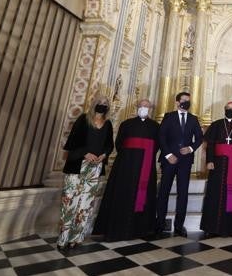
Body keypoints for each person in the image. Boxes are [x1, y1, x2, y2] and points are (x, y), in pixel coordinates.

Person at [93, 99, 159, 242]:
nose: (144, 108)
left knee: (143, 196)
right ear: (136, 108)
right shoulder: (126, 124)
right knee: (122, 192)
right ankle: (116, 228)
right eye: (141, 106)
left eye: (147, 106)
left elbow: (157, 146)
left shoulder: (155, 126)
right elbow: (119, 143)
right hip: (125, 166)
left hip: (145, 167)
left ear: (151, 109)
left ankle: (140, 229)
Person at [58, 95, 114, 251]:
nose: (102, 105)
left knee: (85, 204)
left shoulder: (108, 124)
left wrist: (103, 155)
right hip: (78, 165)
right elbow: (73, 141)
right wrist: (85, 153)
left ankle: (76, 238)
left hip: (95, 168)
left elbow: (109, 145)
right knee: (69, 202)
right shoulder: (83, 119)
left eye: (105, 103)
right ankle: (63, 237)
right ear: (94, 104)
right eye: (100, 103)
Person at [200, 102, 232, 237]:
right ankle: (211, 227)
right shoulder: (216, 125)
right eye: (228, 108)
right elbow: (210, 145)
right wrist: (209, 160)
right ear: (224, 109)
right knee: (214, 193)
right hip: (217, 164)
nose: (230, 110)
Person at [156, 92, 203, 236]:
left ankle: (179, 225)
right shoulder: (168, 116)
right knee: (164, 191)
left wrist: (190, 148)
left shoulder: (193, 119)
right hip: (169, 159)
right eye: (183, 101)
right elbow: (161, 136)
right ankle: (159, 224)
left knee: (183, 193)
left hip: (185, 161)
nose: (186, 103)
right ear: (177, 102)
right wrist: (168, 155)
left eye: (188, 101)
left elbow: (200, 138)